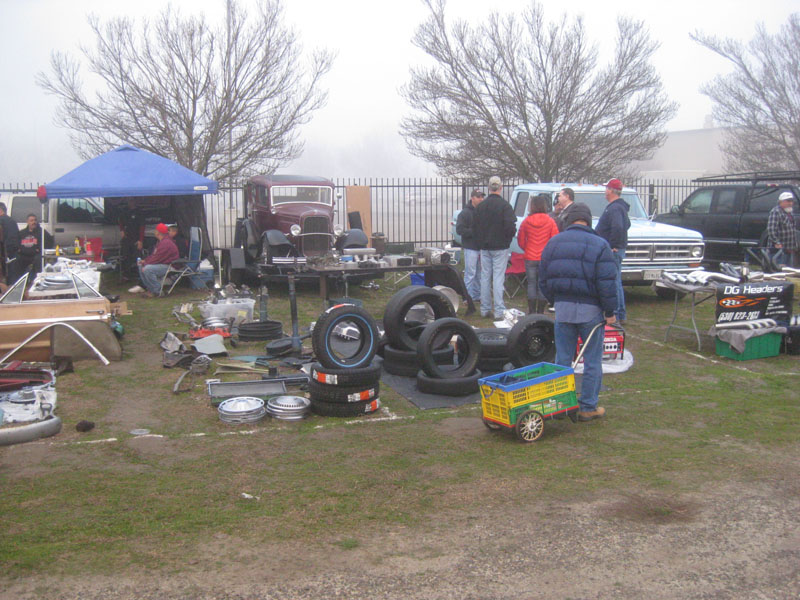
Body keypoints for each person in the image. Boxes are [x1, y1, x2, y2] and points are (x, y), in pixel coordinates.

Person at [539, 202, 618, 422]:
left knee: (562, 358)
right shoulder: (600, 245)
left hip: (563, 308)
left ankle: (559, 404)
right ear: (588, 220)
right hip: (590, 310)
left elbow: (543, 278)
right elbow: (607, 282)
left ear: (569, 220)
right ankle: (587, 407)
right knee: (592, 361)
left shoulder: (554, 243)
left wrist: (554, 299)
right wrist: (610, 310)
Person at [474, 176, 517, 320]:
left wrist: (481, 241)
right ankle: (499, 310)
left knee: (485, 277)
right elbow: (511, 227)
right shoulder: (505, 206)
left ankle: (485, 309)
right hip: (500, 247)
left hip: (485, 247)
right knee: (498, 278)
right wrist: (506, 240)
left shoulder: (481, 206)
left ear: (488, 188)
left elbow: (476, 226)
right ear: (501, 187)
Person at [595, 178, 630, 324]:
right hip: (616, 248)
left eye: (606, 188)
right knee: (616, 280)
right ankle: (619, 312)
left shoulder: (615, 208)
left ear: (611, 190)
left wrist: (613, 244)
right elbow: (626, 224)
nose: (605, 191)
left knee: (613, 281)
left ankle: (617, 313)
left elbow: (619, 226)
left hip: (613, 250)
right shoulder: (619, 207)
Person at [517, 194, 559, 313]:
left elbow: (521, 239)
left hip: (530, 257)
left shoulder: (526, 221)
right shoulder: (550, 221)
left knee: (531, 283)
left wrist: (527, 249)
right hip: (545, 258)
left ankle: (531, 311)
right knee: (542, 284)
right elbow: (554, 240)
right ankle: (540, 311)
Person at [128, 223, 179, 297]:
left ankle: (157, 291)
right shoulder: (161, 241)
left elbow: (158, 258)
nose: (154, 232)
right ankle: (151, 289)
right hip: (163, 264)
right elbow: (154, 256)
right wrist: (144, 261)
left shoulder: (166, 243)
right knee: (141, 266)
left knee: (148, 269)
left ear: (158, 232)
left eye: (156, 230)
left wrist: (146, 263)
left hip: (170, 266)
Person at [456, 189, 484, 311]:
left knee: (480, 273)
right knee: (470, 273)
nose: (481, 199)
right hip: (470, 247)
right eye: (478, 197)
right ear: (472, 198)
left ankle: (477, 296)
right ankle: (467, 297)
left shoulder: (483, 211)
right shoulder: (465, 213)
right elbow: (460, 230)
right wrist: (474, 232)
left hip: (482, 247)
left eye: (482, 197)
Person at [766, 191, 798, 268]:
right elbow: (771, 229)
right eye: (788, 201)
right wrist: (777, 242)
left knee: (787, 272)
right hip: (778, 251)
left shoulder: (789, 212)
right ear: (781, 202)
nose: (790, 203)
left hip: (789, 249)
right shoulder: (776, 212)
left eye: (791, 201)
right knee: (777, 272)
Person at [0, 202, 23, 286]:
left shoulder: (1, 221)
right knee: (12, 276)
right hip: (14, 251)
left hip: (4, 252)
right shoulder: (12, 221)